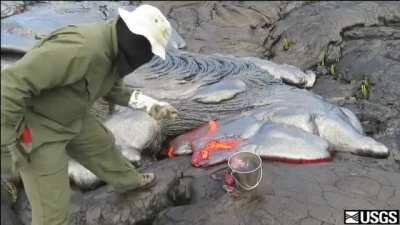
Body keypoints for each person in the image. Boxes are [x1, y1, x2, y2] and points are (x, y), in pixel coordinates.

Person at [1, 5, 177, 225]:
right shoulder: (80, 47)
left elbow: (113, 89)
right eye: (147, 50)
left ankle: (129, 182)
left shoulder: (116, 52)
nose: (145, 57)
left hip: (71, 115)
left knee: (102, 145)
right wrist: (6, 142)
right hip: (37, 128)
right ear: (134, 37)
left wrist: (151, 105)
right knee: (53, 213)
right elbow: (11, 84)